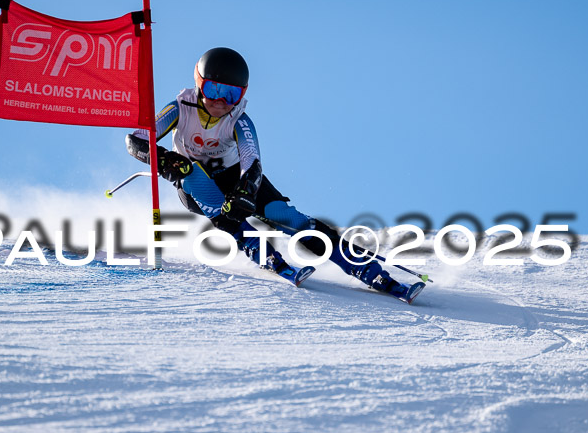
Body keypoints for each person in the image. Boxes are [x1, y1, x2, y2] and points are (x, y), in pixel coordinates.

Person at [126, 47, 420, 300]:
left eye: (231, 94)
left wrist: (245, 192)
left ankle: (368, 270)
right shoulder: (180, 107)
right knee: (191, 172)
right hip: (195, 182)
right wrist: (166, 162)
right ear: (199, 83)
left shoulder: (239, 119)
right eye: (213, 89)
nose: (220, 101)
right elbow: (136, 141)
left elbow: (252, 163)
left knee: (285, 216)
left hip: (234, 177)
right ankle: (260, 249)